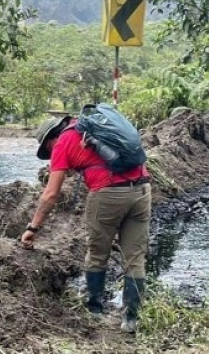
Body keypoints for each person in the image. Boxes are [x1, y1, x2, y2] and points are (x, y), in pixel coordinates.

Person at [20, 114, 151, 333]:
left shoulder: (63, 142)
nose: (51, 155)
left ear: (50, 140)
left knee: (98, 252)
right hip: (142, 190)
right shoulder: (94, 128)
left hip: (108, 194)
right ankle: (131, 319)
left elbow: (51, 194)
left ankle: (94, 310)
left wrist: (32, 228)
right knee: (135, 257)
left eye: (48, 151)